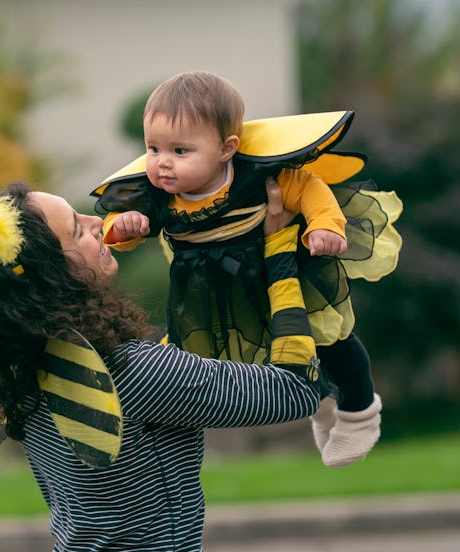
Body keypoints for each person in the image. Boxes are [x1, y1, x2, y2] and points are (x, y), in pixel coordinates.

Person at [0, 125, 325, 551]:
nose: (97, 222)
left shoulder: (15, 370)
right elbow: (296, 390)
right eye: (76, 231)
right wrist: (281, 252)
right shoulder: (133, 374)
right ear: (50, 280)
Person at [91, 71, 403, 467]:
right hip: (213, 294)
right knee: (258, 355)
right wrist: (121, 228)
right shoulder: (156, 195)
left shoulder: (256, 176)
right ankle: (323, 400)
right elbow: (126, 225)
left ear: (226, 148)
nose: (162, 163)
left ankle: (360, 413)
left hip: (280, 270)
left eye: (180, 151)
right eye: (153, 148)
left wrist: (326, 226)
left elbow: (308, 188)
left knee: (329, 338)